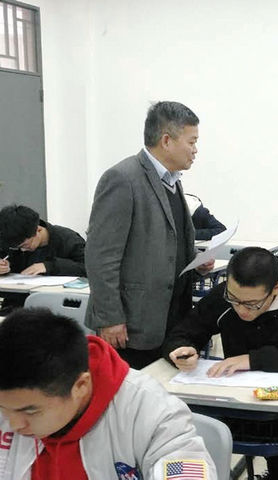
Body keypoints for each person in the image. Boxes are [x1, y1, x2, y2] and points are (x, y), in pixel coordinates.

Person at [163, 246, 278, 480]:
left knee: (276, 431)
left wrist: (252, 359)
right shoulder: (229, 295)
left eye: (252, 304)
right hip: (235, 400)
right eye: (234, 300)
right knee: (187, 423)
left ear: (276, 288)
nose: (241, 310)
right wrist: (181, 349)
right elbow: (182, 332)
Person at [0, 307, 217, 479]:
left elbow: (182, 459)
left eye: (30, 411)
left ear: (80, 386)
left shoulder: (150, 410)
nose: (14, 424)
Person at [85, 101, 214, 370]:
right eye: (191, 142)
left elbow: (164, 239)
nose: (195, 150)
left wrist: (194, 260)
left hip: (169, 316)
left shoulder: (172, 180)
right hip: (132, 324)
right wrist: (110, 318)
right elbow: (101, 257)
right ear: (166, 141)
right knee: (132, 392)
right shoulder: (122, 178)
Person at [0, 204, 86, 314]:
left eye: (25, 245)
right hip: (15, 306)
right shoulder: (8, 238)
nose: (22, 250)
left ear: (38, 229)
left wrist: (49, 266)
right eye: (17, 247)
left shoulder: (68, 240)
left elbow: (87, 268)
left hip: (57, 307)